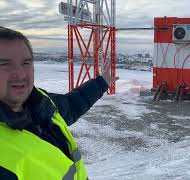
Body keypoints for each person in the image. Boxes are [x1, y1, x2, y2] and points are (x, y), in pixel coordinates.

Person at [0, 26, 118, 180]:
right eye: (4, 64)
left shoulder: (39, 101)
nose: (21, 74)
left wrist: (102, 82)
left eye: (26, 63)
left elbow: (71, 105)